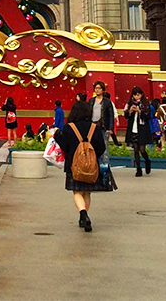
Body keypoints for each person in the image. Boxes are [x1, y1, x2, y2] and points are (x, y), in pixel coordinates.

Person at [55, 99, 113, 232]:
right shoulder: (95, 128)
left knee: (77, 192)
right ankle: (84, 216)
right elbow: (101, 147)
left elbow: (64, 146)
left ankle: (83, 214)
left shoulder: (69, 127)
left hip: (73, 166)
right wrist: (91, 157)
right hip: (91, 167)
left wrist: (58, 135)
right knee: (87, 192)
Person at [124, 86, 153, 176]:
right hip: (133, 128)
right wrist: (130, 111)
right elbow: (126, 115)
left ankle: (147, 161)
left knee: (142, 149)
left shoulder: (145, 104)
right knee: (135, 149)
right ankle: (138, 169)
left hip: (142, 129)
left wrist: (140, 111)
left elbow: (148, 117)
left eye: (138, 95)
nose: (137, 97)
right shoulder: (129, 103)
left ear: (141, 95)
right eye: (135, 95)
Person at [88, 80, 115, 163]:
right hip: (92, 127)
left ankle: (105, 168)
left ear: (103, 90)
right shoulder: (91, 101)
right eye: (96, 88)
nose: (97, 90)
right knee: (93, 147)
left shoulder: (107, 102)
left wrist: (110, 128)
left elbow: (111, 115)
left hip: (103, 127)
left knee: (105, 148)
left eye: (99, 88)